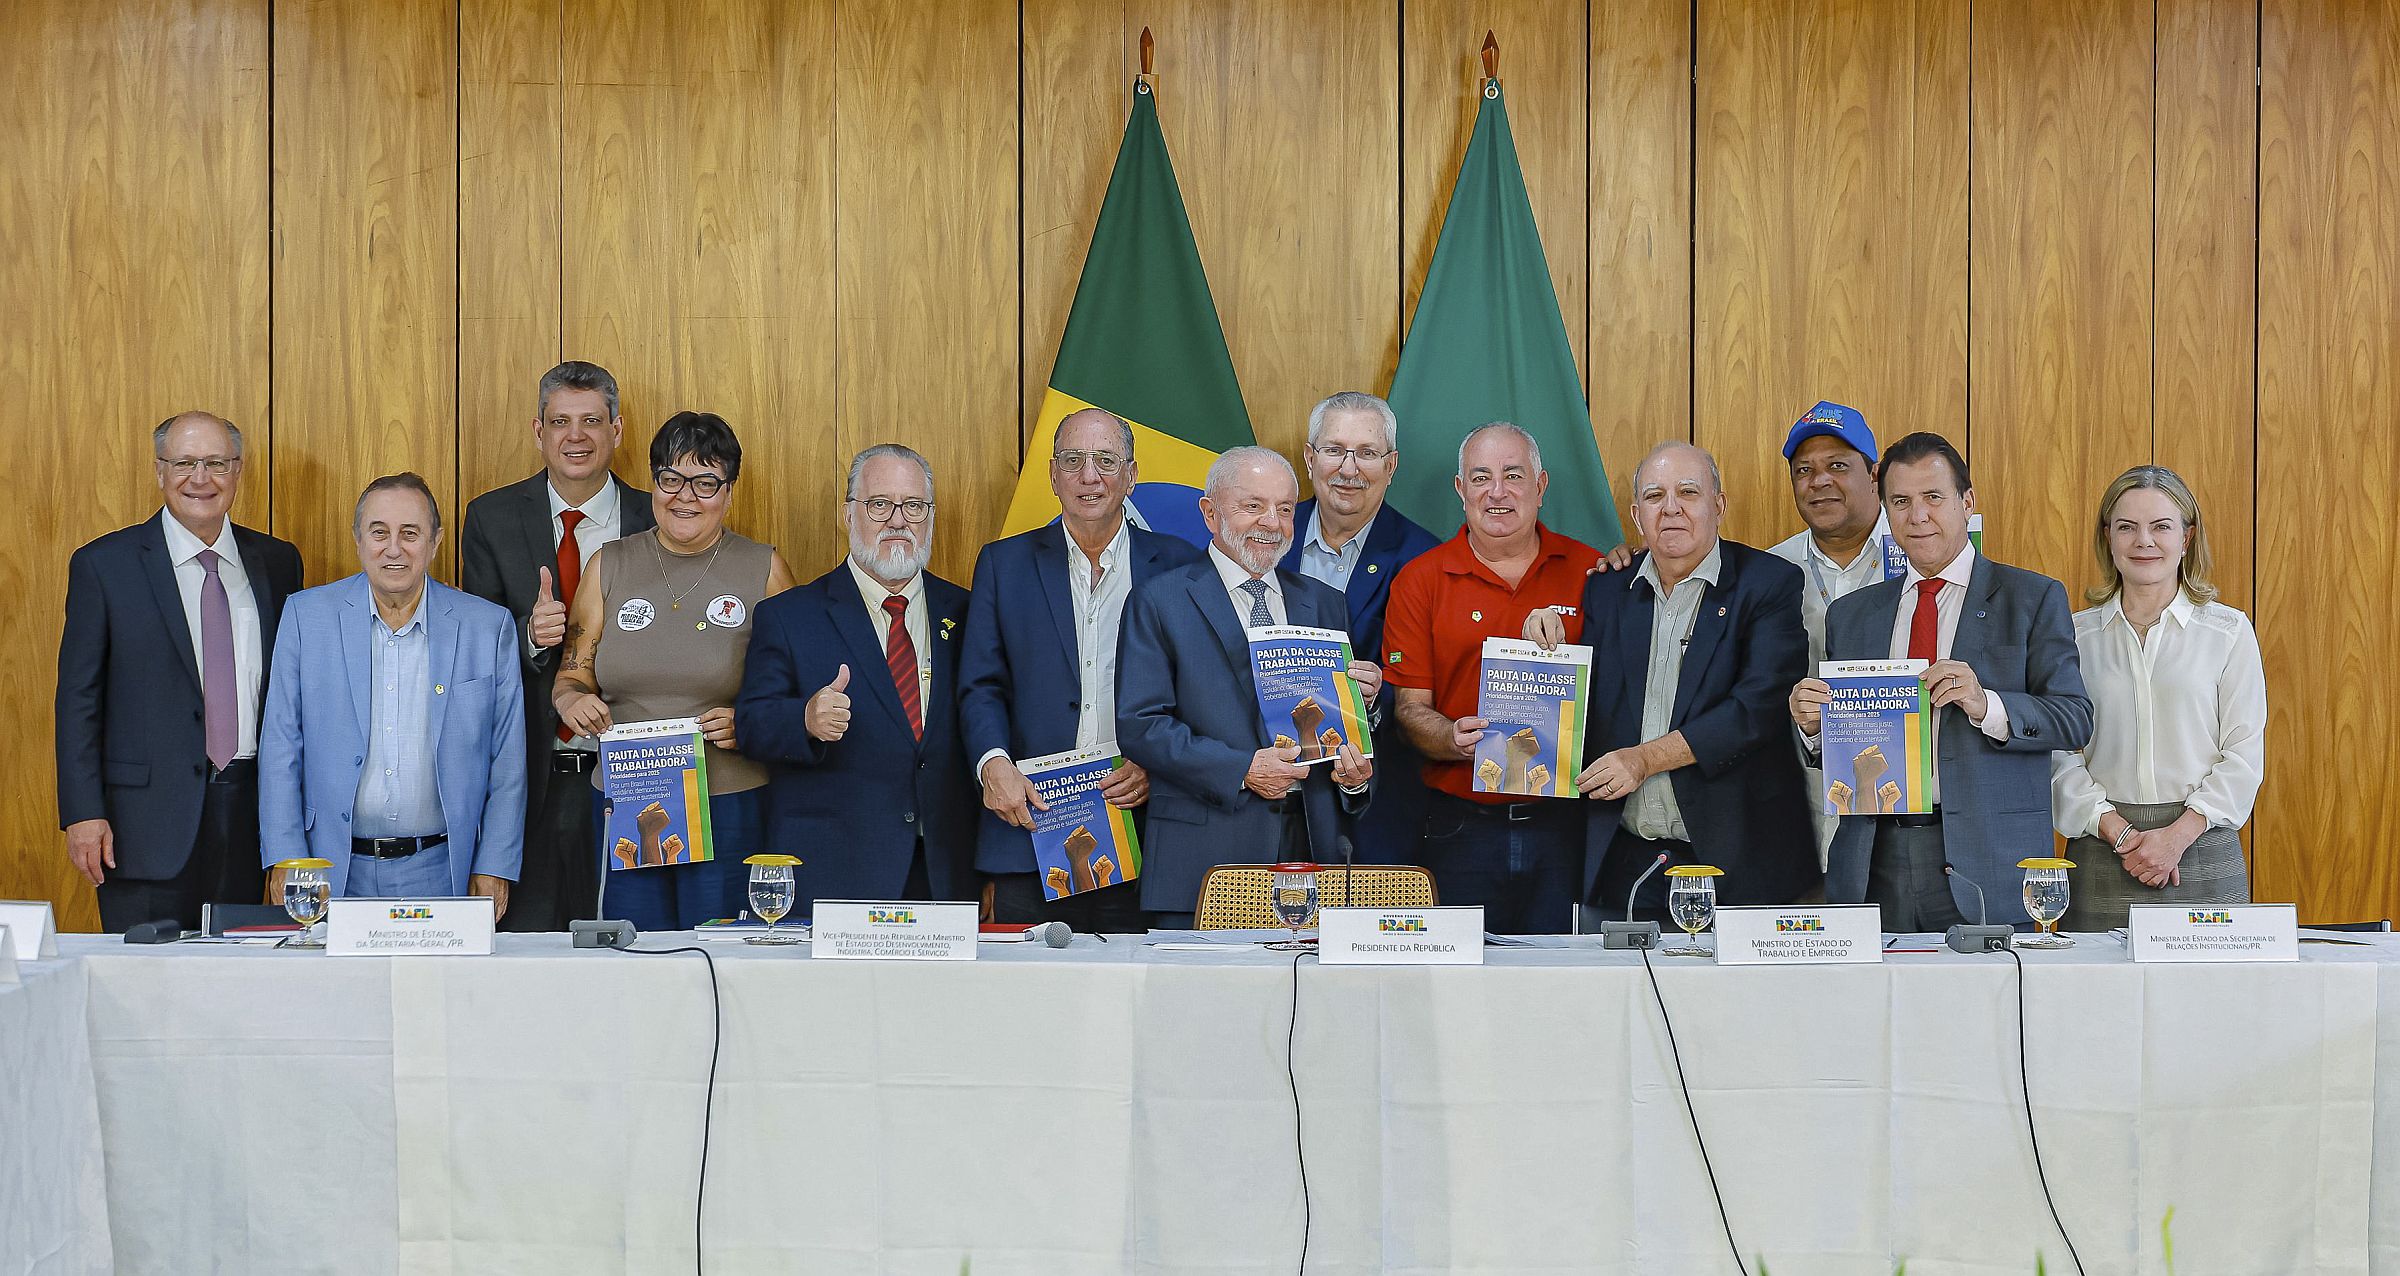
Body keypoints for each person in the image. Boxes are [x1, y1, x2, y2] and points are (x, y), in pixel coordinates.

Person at [1788, 433, 2091, 929]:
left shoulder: (2031, 597)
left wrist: (1986, 704)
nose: (1917, 516)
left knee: (1985, 1006)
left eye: (1933, 498)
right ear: (1885, 509)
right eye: (1901, 502)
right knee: (1875, 1008)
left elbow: (2075, 720)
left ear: (1966, 502)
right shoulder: (1851, 615)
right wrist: (1814, 726)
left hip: (1988, 859)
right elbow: (1839, 753)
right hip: (1873, 859)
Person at [1527, 443, 1815, 919]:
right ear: (1638, 516)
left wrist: (1645, 759)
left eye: (1688, 492)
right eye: (1656, 496)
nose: (1672, 507)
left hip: (1737, 859)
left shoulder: (1770, 582)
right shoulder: (1605, 588)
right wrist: (1545, 645)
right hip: (1624, 858)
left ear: (1718, 504)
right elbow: (1585, 701)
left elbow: (1757, 707)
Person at [56, 412, 305, 932]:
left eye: (216, 463)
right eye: (185, 463)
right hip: (140, 827)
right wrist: (83, 813)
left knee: (237, 985)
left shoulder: (279, 563)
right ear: (159, 471)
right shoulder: (105, 566)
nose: (201, 478)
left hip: (250, 818)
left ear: (237, 471)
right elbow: (79, 700)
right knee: (145, 991)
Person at [959, 409, 1203, 931]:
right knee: (1032, 1002)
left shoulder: (1182, 564)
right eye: (1073, 460)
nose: (1089, 476)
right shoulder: (1004, 564)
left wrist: (1161, 767)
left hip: (1142, 824)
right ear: (1052, 474)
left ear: (1131, 474)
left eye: (1105, 461)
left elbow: (1201, 692)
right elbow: (981, 684)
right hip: (1030, 824)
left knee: (1135, 999)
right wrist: (992, 764)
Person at [551, 412, 794, 931]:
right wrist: (571, 700)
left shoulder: (764, 568)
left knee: (721, 962)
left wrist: (748, 720)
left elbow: (796, 696)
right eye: (671, 479)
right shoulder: (608, 564)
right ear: (654, 483)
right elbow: (571, 676)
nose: (685, 496)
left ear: (729, 491)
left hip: (728, 804)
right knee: (633, 960)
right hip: (627, 800)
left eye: (706, 482)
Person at [1117, 446, 1379, 927]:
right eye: (1253, 505)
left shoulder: (1325, 604)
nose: (1272, 523)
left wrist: (1355, 771)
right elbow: (1140, 726)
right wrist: (1242, 768)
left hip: (1312, 860)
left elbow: (1341, 728)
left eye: (1284, 509)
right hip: (1201, 864)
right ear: (1209, 513)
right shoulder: (1159, 600)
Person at [1380, 423, 1611, 933]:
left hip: (1567, 827)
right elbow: (1409, 711)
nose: (1498, 492)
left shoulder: (1593, 572)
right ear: (1461, 490)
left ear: (1541, 485)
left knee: (1565, 988)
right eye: (1481, 477)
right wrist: (1451, 738)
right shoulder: (1420, 580)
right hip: (1460, 826)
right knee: (1462, 990)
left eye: (1513, 475)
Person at [258, 475, 524, 907]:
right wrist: (288, 858)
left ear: (435, 542)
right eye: (379, 532)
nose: (394, 548)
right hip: (330, 867)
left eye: (410, 533)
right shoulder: (306, 617)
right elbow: (281, 746)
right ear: (358, 539)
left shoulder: (486, 627)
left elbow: (507, 758)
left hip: (445, 868)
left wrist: (494, 863)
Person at [736, 444, 975, 913]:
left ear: (930, 516)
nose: (898, 520)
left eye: (913, 506)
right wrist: (804, 718)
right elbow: (751, 723)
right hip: (838, 871)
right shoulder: (790, 616)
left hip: (948, 875)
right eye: (880, 504)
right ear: (849, 514)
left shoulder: (969, 612)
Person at [459, 360, 656, 931]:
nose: (576, 436)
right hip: (530, 779)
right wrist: (526, 634)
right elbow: (473, 650)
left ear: (616, 431)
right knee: (530, 957)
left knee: (633, 944)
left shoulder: (657, 517)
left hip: (637, 774)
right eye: (561, 421)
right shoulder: (491, 517)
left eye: (592, 421)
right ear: (537, 431)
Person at [2049, 465, 2264, 929]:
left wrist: (2177, 837)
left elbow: (2244, 754)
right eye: (2127, 527)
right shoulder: (2072, 636)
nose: (2143, 541)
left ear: (2186, 538)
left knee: (2208, 1002)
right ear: (2108, 537)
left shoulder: (2228, 633)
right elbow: (2058, 754)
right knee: (2093, 1001)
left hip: (2201, 846)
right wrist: (2120, 832)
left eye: (2161, 526)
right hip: (2102, 848)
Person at [1278, 391, 1441, 863]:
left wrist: (1379, 696)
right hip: (1262, 799)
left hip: (1374, 811)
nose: (1349, 469)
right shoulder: (1265, 537)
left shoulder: (1426, 559)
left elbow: (1437, 684)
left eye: (1367, 453)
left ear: (1391, 466)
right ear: (1309, 458)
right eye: (1334, 450)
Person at [1764, 401, 1889, 868]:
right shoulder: (1769, 571)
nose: (1819, 481)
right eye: (1804, 470)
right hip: (1800, 811)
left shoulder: (1920, 559)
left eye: (1838, 465)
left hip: (1905, 813)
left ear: (1874, 474)